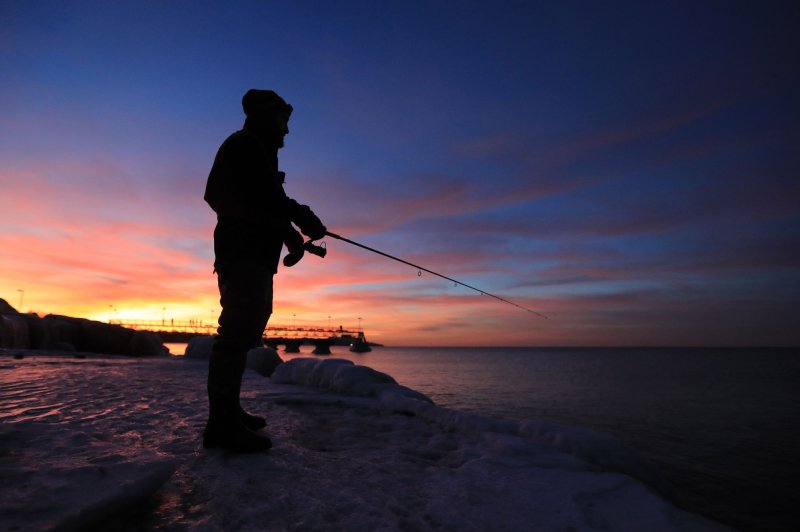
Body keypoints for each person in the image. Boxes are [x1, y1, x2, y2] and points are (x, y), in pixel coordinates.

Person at [203, 89, 326, 452]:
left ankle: (228, 412)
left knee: (247, 327)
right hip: (242, 252)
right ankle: (220, 426)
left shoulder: (258, 150)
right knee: (236, 331)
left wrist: (289, 233)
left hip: (253, 252)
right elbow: (258, 199)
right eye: (282, 121)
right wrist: (301, 216)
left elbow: (261, 204)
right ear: (263, 116)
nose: (286, 131)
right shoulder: (245, 145)